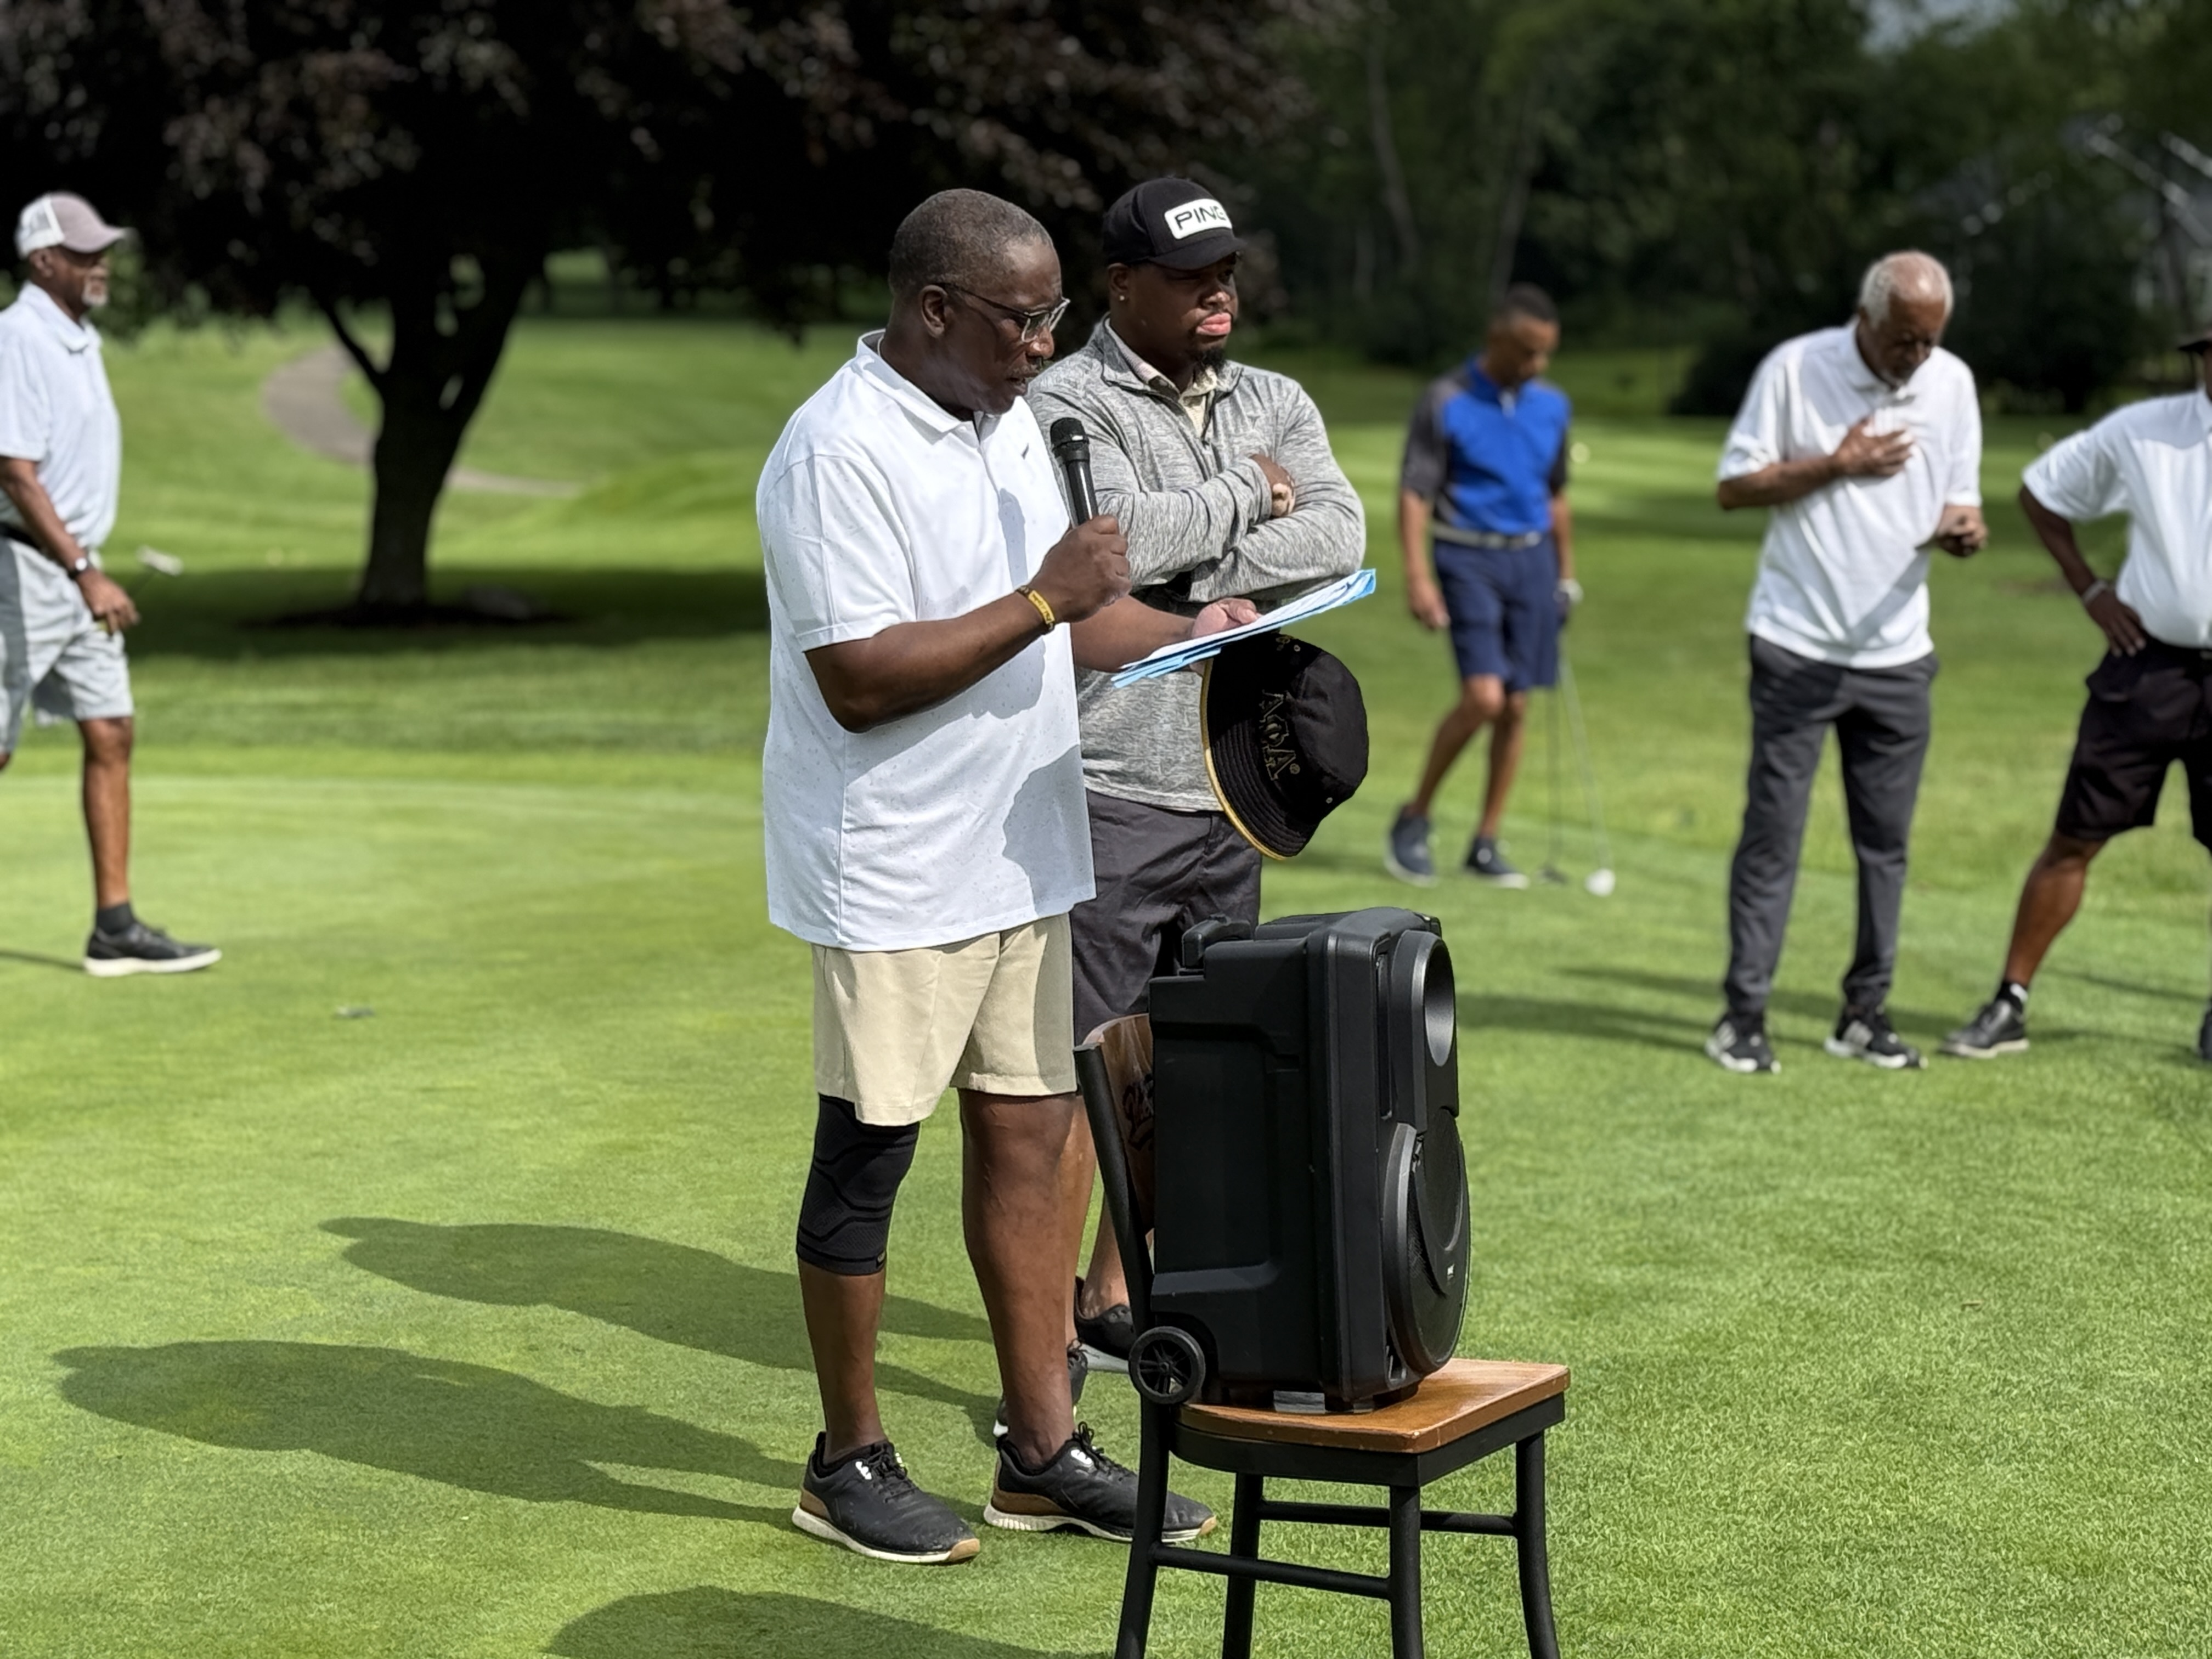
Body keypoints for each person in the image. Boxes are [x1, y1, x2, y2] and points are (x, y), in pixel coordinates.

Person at [759, 188, 1231, 1567]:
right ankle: (845, 1460)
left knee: (1031, 1137)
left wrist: (1199, 630)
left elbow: (1071, 628)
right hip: (894, 862)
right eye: (1024, 321)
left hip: (1023, 848)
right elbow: (859, 678)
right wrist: (1046, 600)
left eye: (1055, 318)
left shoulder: (1007, 419)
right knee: (870, 1153)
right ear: (935, 310)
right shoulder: (834, 451)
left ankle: (1041, 1453)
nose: (1045, 346)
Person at [1028, 177, 1364, 1363]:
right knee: (1084, 1066)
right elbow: (1106, 554)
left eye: (1226, 271)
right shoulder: (1069, 401)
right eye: (1189, 277)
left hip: (1239, 783)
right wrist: (1248, 496)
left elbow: (1339, 531)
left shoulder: (1275, 396)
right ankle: (1041, 1340)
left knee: (1190, 1063)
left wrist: (1191, 556)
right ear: (1122, 284)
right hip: (1114, 778)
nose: (1218, 292)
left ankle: (1112, 1294)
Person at [1703, 251, 1987, 1074]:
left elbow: (1960, 498)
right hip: (1798, 644)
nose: (1918, 358)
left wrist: (1963, 530)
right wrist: (1838, 463)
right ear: (1867, 319)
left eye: (1931, 341)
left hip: (1900, 655)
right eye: (1905, 340)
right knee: (1773, 838)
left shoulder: (1952, 384)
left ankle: (1865, 1013)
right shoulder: (1796, 370)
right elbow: (1733, 487)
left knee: (1885, 847)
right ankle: (1743, 1017)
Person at [1942, 323, 2212, 1062]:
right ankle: (2010, 1002)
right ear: (2202, 361)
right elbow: (2042, 492)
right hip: (2146, 667)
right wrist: (2090, 588)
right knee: (2073, 839)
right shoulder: (2145, 429)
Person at [0, 193, 218, 976]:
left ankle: (115, 928)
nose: (103, 265)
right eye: (85, 253)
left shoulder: (77, 337)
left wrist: (84, 569)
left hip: (72, 570)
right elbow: (15, 473)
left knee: (112, 729)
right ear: (43, 261)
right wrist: (85, 572)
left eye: (104, 252)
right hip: (23, 570)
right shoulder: (19, 337)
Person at [1385, 285, 1579, 889]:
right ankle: (1415, 817)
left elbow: (1556, 496)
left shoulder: (1552, 405)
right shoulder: (1446, 399)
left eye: (1545, 353)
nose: (1537, 364)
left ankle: (1486, 842)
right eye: (1527, 351)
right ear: (1497, 338)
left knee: (1517, 704)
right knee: (1485, 698)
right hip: (1467, 557)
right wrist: (1418, 576)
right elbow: (1415, 493)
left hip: (1533, 561)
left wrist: (1566, 575)